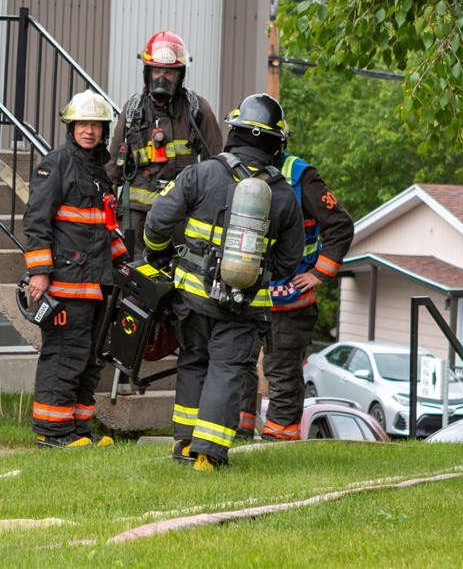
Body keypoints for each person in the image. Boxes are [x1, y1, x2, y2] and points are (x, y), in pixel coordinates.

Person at [142, 93, 304, 471]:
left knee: (194, 362)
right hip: (243, 306)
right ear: (275, 144)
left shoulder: (202, 173)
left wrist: (158, 253)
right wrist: (255, 271)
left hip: (192, 301)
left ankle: (185, 443)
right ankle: (209, 454)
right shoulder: (282, 195)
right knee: (227, 370)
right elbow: (288, 262)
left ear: (236, 133)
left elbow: (157, 223)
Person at [22, 90, 126, 448]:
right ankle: (52, 432)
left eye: (96, 125)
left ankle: (80, 430)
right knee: (64, 355)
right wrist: (39, 272)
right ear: (71, 126)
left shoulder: (99, 171)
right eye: (83, 123)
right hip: (66, 283)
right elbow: (37, 220)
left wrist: (123, 265)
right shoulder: (57, 163)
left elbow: (105, 225)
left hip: (96, 283)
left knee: (88, 359)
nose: (89, 131)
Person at [247, 153, 355, 440]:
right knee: (238, 367)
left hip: (290, 299)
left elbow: (340, 225)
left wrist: (319, 273)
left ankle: (280, 441)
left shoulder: (299, 176)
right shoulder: (234, 168)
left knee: (281, 374)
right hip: (246, 296)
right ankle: (236, 435)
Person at [106, 31, 225, 250]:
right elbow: (114, 164)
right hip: (136, 214)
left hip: (181, 211)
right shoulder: (132, 110)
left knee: (178, 273)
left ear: (180, 74)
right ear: (147, 72)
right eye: (157, 71)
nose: (162, 78)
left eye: (169, 73)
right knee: (133, 274)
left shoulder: (197, 109)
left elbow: (216, 164)